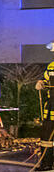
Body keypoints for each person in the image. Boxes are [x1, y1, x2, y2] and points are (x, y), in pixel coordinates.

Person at [35, 40, 54, 171]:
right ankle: (46, 164)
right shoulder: (51, 66)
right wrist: (41, 82)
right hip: (50, 107)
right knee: (47, 137)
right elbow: (46, 79)